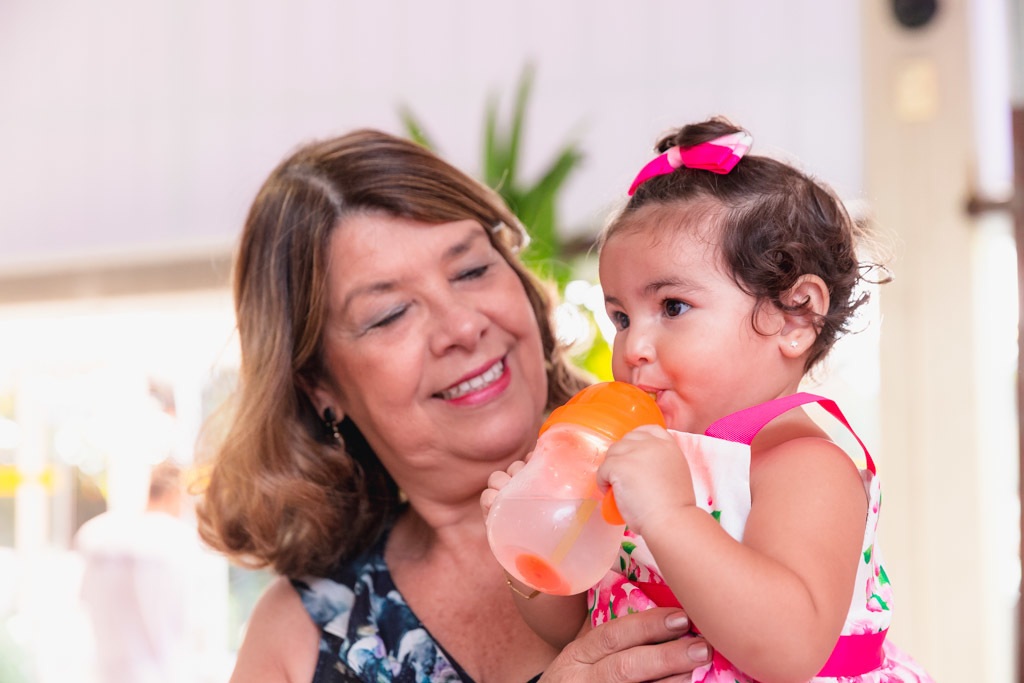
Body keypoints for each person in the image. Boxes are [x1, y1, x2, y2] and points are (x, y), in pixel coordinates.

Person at [194, 128, 715, 682]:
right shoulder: (301, 634)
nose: (462, 327)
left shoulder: (707, 480)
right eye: (391, 313)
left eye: (472, 270)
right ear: (318, 384)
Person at [483, 118, 933, 682]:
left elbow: (789, 650)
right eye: (621, 317)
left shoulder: (802, 462)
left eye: (672, 307)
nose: (633, 346)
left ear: (794, 316)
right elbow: (580, 620)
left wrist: (670, 515)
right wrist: (530, 554)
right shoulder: (644, 454)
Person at [77, 460, 214, 683]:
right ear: (175, 493)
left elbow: (84, 601)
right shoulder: (176, 541)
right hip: (163, 674)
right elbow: (190, 623)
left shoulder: (99, 536)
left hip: (106, 674)